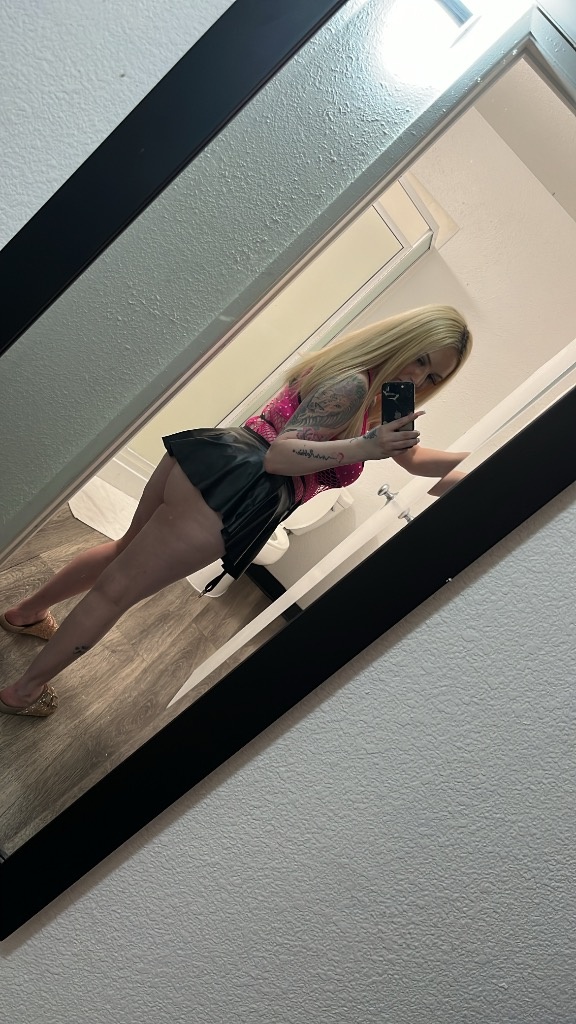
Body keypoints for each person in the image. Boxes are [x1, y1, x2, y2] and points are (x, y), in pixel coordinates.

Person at [0, 304, 471, 718]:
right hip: (239, 492)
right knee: (115, 594)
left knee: (122, 552)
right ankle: (23, 693)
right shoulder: (353, 385)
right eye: (420, 358)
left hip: (213, 459)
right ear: (403, 339)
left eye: (433, 377)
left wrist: (483, 465)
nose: (418, 378)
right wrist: (364, 447)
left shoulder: (362, 382)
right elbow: (280, 457)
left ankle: (25, 614)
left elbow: (413, 459)